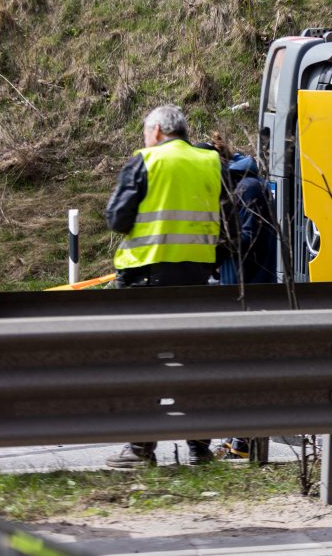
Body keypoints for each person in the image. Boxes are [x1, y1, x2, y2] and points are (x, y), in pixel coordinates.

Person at [104, 104, 221, 469]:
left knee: (144, 364)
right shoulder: (210, 162)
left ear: (155, 131)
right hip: (197, 278)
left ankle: (140, 449)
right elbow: (226, 220)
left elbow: (117, 218)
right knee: (192, 361)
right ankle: (200, 448)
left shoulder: (146, 161)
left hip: (146, 279)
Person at [219, 153, 277, 285]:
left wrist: (215, 247)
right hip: (243, 283)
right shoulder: (243, 185)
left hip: (252, 286)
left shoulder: (248, 187)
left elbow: (251, 239)